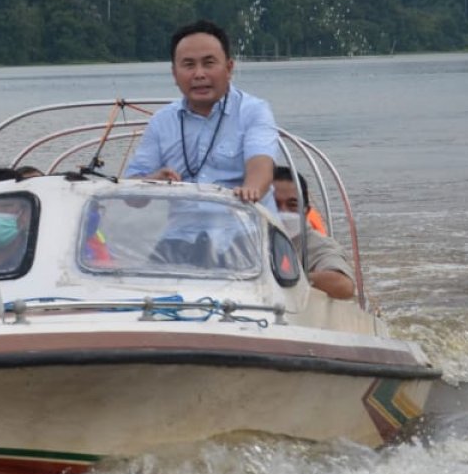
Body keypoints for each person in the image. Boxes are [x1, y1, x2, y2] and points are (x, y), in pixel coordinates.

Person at [126, 20, 278, 204]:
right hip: (181, 231)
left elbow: (261, 166)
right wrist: (153, 181)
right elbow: (130, 196)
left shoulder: (254, 111)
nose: (199, 74)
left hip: (241, 228)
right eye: (189, 65)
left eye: (209, 63)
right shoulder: (161, 121)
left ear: (229, 68)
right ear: (174, 74)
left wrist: (251, 189)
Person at [272, 165, 355, 299]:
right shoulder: (246, 240)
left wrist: (286, 278)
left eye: (292, 205)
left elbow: (344, 286)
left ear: (306, 210)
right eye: (274, 204)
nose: (283, 211)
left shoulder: (319, 244)